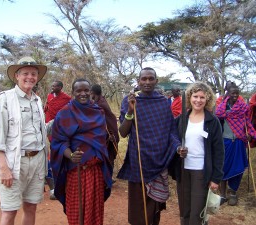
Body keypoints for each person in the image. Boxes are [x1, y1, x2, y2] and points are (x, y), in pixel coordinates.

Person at [118, 67, 183, 225]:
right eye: (143, 79)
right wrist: (130, 111)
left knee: (154, 206)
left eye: (150, 79)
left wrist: (178, 147)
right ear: (138, 81)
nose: (147, 82)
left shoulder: (162, 102)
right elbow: (123, 132)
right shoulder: (130, 100)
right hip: (138, 158)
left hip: (159, 160)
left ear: (156, 81)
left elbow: (171, 131)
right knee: (137, 204)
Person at [0, 56, 48, 225]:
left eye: (34, 74)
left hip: (37, 162)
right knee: (9, 211)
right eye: (26, 73)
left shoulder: (37, 100)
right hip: (14, 163)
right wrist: (4, 168)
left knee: (31, 207)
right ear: (17, 75)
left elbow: (40, 130)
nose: (30, 77)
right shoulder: (5, 99)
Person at [50, 78, 112, 225]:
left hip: (95, 170)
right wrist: (71, 155)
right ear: (73, 93)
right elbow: (58, 142)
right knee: (76, 214)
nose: (83, 93)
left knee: (94, 213)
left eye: (86, 90)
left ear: (90, 92)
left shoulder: (98, 112)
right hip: (75, 171)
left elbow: (102, 141)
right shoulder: (64, 113)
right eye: (78, 91)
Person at [172, 82, 224, 225]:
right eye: (195, 96)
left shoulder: (212, 121)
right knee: (185, 210)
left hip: (202, 172)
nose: (198, 100)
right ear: (189, 97)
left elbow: (219, 151)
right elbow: (173, 138)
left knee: (197, 212)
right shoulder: (181, 119)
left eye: (202, 97)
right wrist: (178, 149)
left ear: (207, 99)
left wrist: (216, 178)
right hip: (183, 170)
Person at [216, 83, 256, 206]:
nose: (235, 95)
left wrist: (250, 133)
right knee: (224, 167)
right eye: (232, 93)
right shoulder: (222, 106)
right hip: (225, 141)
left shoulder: (243, 107)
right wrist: (224, 100)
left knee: (238, 167)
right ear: (228, 93)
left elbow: (248, 122)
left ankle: (233, 193)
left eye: (237, 93)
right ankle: (222, 195)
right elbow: (218, 116)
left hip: (239, 141)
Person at [44, 80, 71, 200]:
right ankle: (53, 183)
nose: (52, 87)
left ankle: (62, 182)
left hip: (62, 127)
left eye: (55, 86)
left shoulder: (66, 98)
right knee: (52, 151)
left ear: (60, 87)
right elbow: (47, 109)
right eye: (52, 85)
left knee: (60, 151)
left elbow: (68, 111)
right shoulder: (49, 96)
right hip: (50, 127)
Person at [90, 84, 119, 171]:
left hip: (110, 133)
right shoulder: (100, 100)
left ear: (93, 93)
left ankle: (108, 179)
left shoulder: (100, 104)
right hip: (110, 131)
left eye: (91, 93)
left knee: (108, 155)